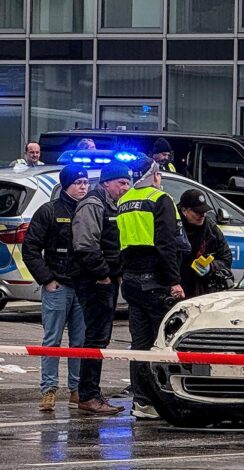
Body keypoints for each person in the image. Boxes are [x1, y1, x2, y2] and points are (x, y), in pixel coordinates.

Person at [117, 156, 185, 419]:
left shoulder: (124, 201)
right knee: (162, 344)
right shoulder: (161, 200)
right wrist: (174, 281)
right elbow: (167, 244)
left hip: (132, 280)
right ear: (154, 175)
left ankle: (142, 401)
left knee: (140, 344)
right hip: (155, 280)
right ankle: (163, 399)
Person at [22, 164, 88, 412]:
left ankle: (77, 390)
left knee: (80, 343)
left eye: (85, 182)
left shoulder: (90, 209)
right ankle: (49, 390)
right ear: (66, 185)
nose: (83, 187)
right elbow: (30, 249)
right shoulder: (49, 211)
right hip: (57, 286)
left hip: (82, 287)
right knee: (52, 341)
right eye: (78, 183)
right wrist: (47, 279)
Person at [71, 162, 132, 415]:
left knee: (99, 337)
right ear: (107, 183)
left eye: (128, 183)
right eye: (121, 183)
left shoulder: (110, 205)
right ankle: (88, 395)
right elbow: (85, 245)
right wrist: (104, 274)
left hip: (104, 279)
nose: (125, 188)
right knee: (95, 337)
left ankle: (90, 393)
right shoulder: (94, 204)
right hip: (94, 281)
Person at [178, 189, 233, 299]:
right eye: (197, 212)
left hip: (201, 289)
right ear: (184, 211)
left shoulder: (211, 229)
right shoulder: (173, 226)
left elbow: (226, 259)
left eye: (204, 211)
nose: (202, 215)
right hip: (177, 287)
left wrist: (211, 267)